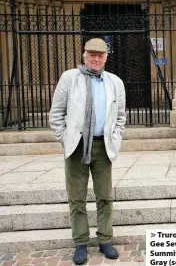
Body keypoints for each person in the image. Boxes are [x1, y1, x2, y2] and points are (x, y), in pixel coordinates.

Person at [49, 38, 126, 265]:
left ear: (105, 58)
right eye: (92, 55)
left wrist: (116, 137)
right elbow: (56, 114)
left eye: (100, 55)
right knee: (77, 197)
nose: (96, 59)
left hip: (103, 146)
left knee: (104, 196)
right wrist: (65, 139)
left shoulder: (115, 82)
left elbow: (121, 116)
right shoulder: (70, 78)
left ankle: (105, 239)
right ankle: (81, 242)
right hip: (77, 146)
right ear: (84, 55)